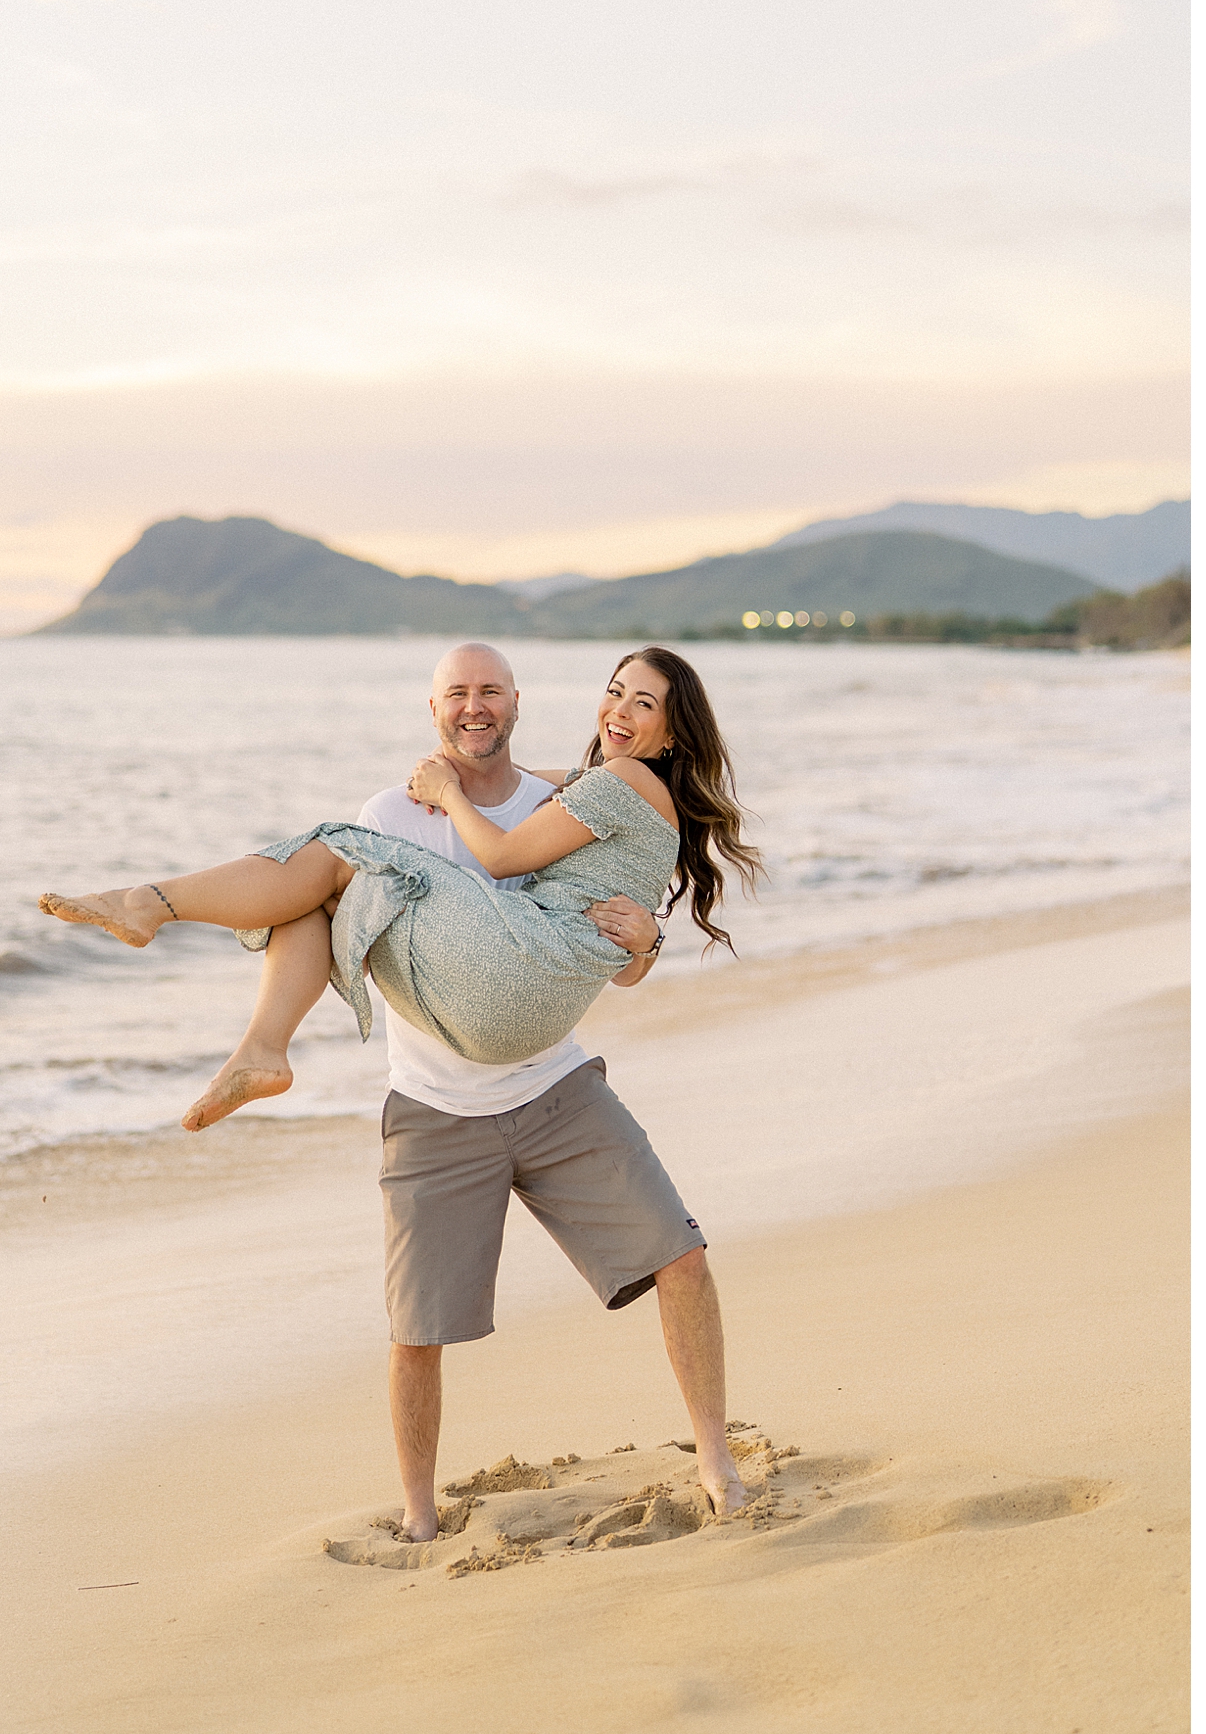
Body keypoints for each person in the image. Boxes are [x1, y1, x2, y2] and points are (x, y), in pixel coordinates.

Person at [39, 642, 761, 1523]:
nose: (474, 706)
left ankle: (717, 1462)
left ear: (517, 702)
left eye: (490, 691)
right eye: (456, 694)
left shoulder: (557, 800)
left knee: (679, 1258)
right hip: (437, 1105)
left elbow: (610, 959)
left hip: (554, 1088)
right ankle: (419, 1511)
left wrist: (645, 943)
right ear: (433, 714)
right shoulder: (429, 805)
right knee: (414, 1331)